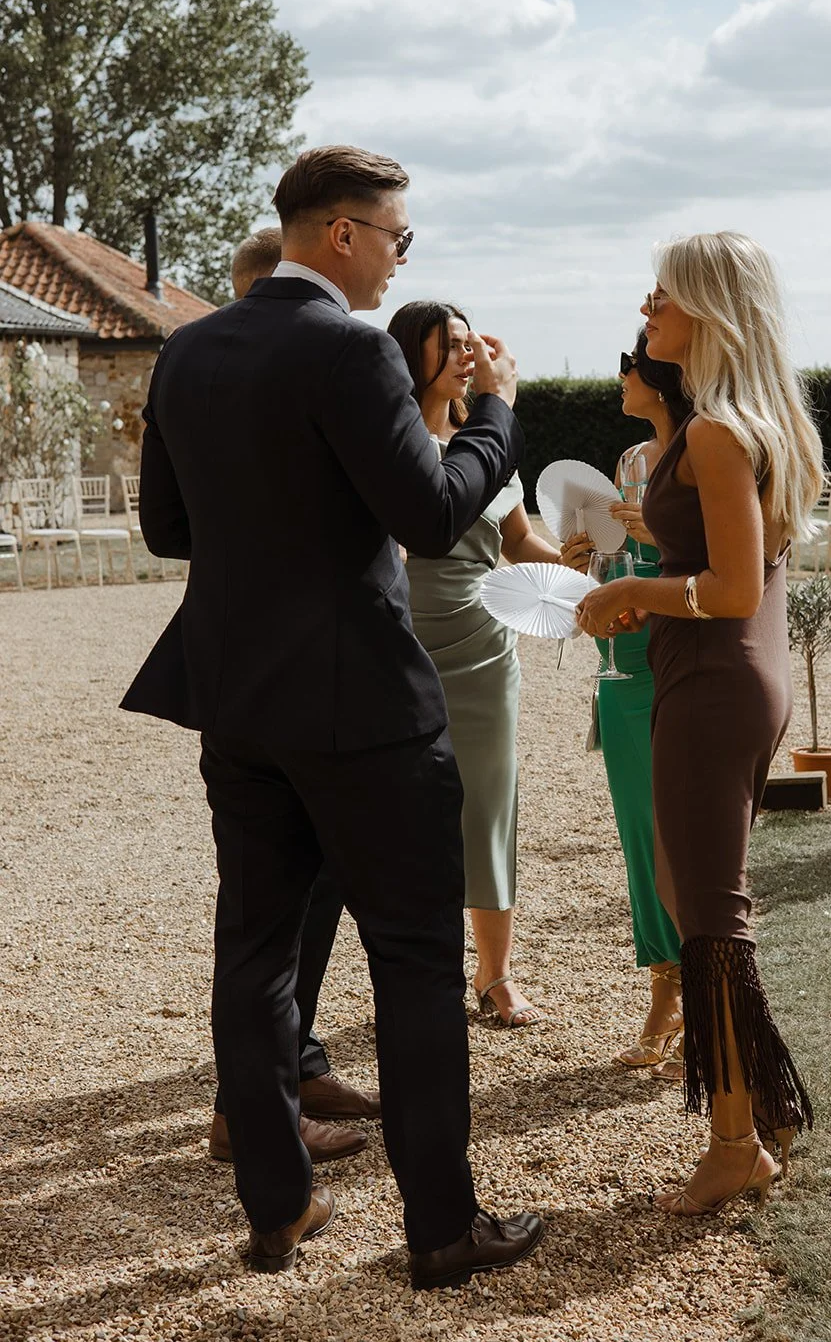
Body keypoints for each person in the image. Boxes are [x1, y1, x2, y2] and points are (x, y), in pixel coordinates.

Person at [121, 146, 542, 1287]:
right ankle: (444, 1229)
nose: (402, 259)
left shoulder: (189, 348)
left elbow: (168, 528)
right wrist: (494, 414)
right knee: (411, 959)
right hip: (362, 707)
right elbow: (430, 508)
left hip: (239, 701)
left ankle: (277, 1206)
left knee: (253, 954)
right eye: (400, 240)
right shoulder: (350, 349)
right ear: (344, 234)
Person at [575, 231, 823, 1216]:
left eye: (662, 297)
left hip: (714, 682)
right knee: (689, 894)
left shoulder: (717, 432)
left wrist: (625, 597)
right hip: (732, 677)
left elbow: (724, 587)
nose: (646, 307)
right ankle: (765, 1100)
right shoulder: (737, 423)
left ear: (710, 313)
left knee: (709, 911)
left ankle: (734, 1143)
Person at [205, 224, 377, 1170]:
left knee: (301, 895)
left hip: (246, 672)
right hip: (314, 680)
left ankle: (293, 1066)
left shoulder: (202, 367)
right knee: (283, 905)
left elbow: (167, 526)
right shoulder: (323, 362)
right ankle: (253, 1106)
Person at [388, 299, 568, 1029]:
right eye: (448, 343)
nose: (467, 354)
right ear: (411, 355)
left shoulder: (488, 444)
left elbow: (520, 542)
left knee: (490, 809)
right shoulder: (387, 441)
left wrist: (585, 568)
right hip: (402, 646)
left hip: (488, 651)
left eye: (471, 342)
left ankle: (496, 976)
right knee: (404, 819)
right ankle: (418, 977)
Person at [563, 330, 689, 1079]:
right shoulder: (630, 463)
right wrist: (584, 558)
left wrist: (662, 534)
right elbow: (620, 565)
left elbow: (727, 568)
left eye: (628, 368)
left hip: (682, 660)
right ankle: (664, 992)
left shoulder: (706, 453)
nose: (618, 378)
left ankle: (704, 999)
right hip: (623, 666)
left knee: (686, 841)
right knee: (640, 841)